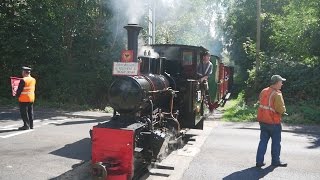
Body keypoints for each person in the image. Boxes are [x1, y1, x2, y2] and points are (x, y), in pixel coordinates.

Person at [256, 75, 287, 168]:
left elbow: (261, 102)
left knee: (263, 142)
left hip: (263, 121)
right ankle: (275, 161)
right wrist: (284, 112)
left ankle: (259, 161)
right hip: (274, 122)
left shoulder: (264, 91)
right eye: (281, 82)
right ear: (277, 83)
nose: (282, 84)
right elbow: (280, 109)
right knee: (276, 143)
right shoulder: (277, 94)